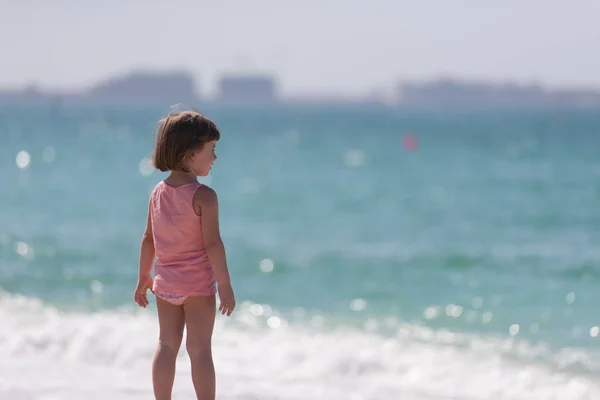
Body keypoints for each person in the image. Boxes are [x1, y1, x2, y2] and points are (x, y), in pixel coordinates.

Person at [133, 110, 235, 400]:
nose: (215, 158)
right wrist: (225, 285)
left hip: (165, 286)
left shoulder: (157, 192)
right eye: (211, 150)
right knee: (200, 350)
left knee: (166, 345)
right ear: (190, 152)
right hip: (198, 288)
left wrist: (144, 277)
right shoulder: (204, 196)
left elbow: (148, 239)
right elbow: (213, 244)